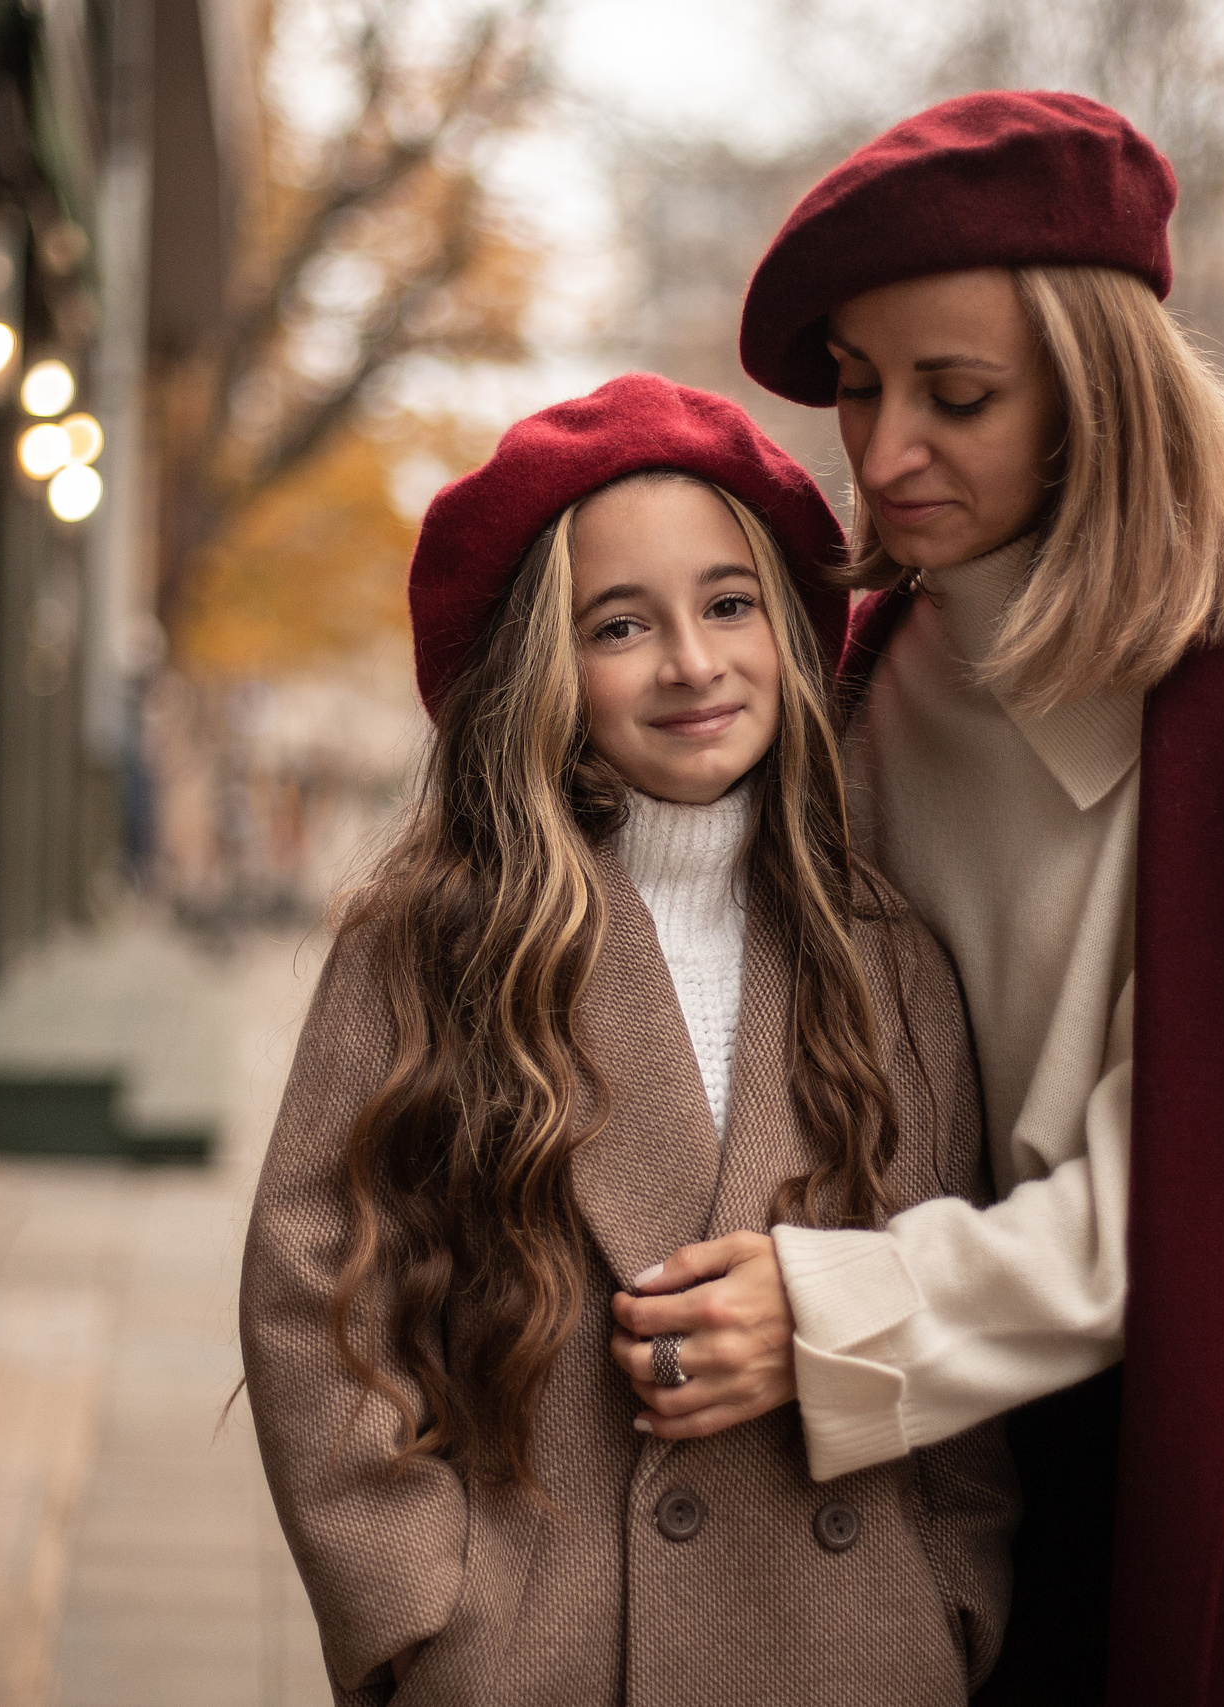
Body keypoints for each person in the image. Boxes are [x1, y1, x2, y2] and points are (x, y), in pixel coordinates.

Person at [606, 92, 1224, 1704]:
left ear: (1097, 395)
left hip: (1208, 1428)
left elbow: (1189, 1199)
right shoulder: (864, 672)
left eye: (956, 394)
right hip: (890, 1475)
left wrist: (832, 1318)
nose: (885, 450)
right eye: (857, 386)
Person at [239, 374, 1016, 1707]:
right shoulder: (430, 941)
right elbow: (317, 1289)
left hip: (854, 1645)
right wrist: (418, 1612)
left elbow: (958, 1288)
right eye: (621, 624)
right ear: (550, 663)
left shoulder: (892, 954)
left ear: (788, 623)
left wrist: (956, 1593)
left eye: (728, 602)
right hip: (541, 1644)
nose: (693, 661)